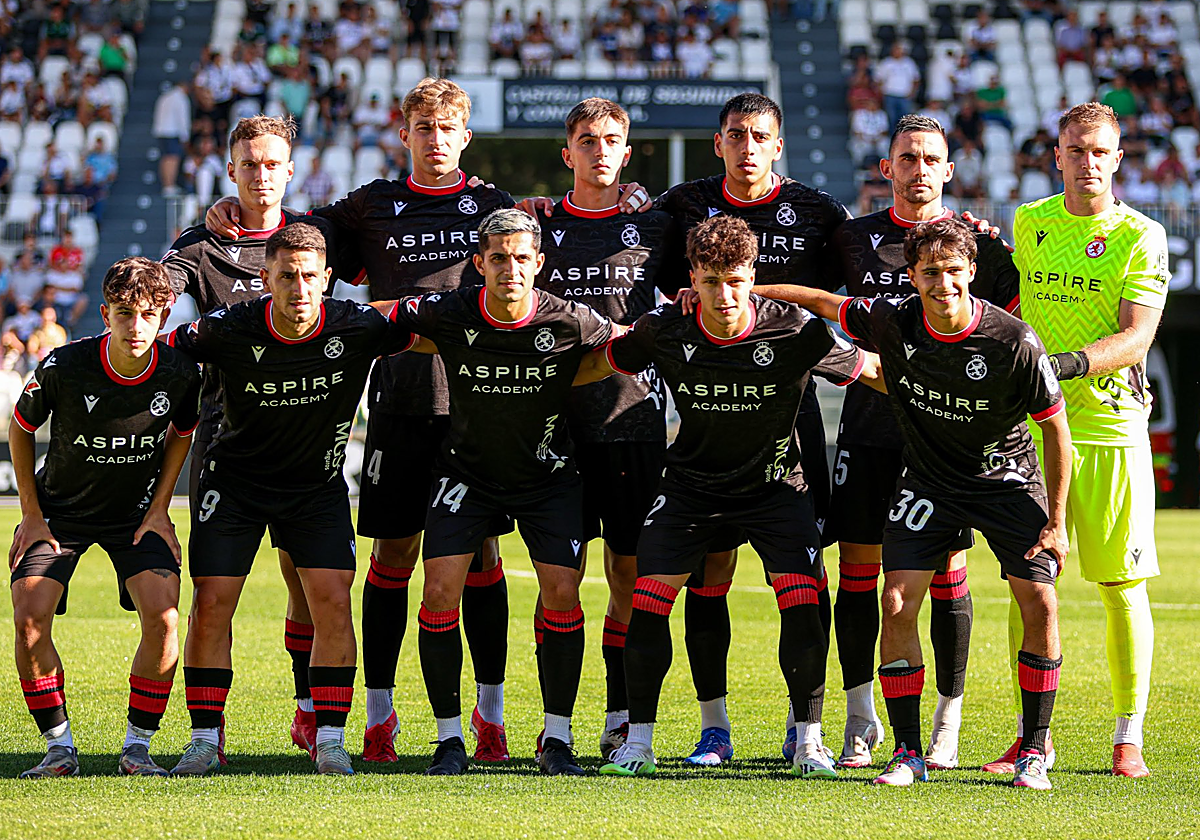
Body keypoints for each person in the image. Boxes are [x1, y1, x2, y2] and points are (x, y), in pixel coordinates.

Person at [204, 79, 515, 765]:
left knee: (483, 558)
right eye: (423, 126)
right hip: (401, 405)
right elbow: (294, 237)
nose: (435, 138)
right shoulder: (371, 205)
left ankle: (489, 716)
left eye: (448, 127)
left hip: (478, 410)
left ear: (466, 136)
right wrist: (237, 209)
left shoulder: (496, 205)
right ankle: (378, 716)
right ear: (404, 134)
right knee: (393, 559)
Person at [578, 214, 878, 778]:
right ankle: (639, 743)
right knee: (649, 600)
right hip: (691, 488)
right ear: (692, 277)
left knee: (803, 601)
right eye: (711, 281)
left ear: (752, 275)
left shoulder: (796, 329)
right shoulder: (666, 326)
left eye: (736, 280)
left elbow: (874, 372)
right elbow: (599, 363)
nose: (724, 295)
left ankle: (809, 741)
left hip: (776, 488)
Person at [777, 218, 1071, 790]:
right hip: (930, 483)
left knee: (1040, 600)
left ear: (972, 273)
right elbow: (820, 301)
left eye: (954, 271)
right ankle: (908, 751)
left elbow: (1056, 430)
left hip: (1006, 479)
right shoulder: (894, 320)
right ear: (911, 276)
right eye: (930, 272)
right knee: (894, 602)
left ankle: (1034, 749)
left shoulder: (1014, 341)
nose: (943, 284)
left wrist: (1056, 522)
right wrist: (745, 290)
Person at [783, 114, 1020, 771]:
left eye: (931, 159)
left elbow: (1018, 329)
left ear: (950, 170)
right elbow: (813, 295)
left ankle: (948, 720)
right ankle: (860, 718)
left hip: (945, 443)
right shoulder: (852, 238)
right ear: (886, 168)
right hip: (869, 430)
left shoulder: (979, 246)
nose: (919, 169)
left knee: (945, 574)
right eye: (907, 158)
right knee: (859, 575)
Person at [166, 222, 421, 776]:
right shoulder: (229, 327)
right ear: (266, 279)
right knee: (210, 604)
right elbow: (156, 352)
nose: (299, 288)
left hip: (315, 489)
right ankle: (205, 739)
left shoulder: (357, 325)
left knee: (331, 600)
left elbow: (436, 327)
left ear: (327, 279)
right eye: (286, 276)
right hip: (234, 485)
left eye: (309, 276)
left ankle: (329, 738)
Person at [646, 92, 851, 765]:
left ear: (778, 145)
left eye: (760, 135)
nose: (747, 146)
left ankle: (804, 727)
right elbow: (633, 259)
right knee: (709, 574)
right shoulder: (682, 204)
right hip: (711, 414)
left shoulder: (819, 212)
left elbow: (859, 284)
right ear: (719, 143)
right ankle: (714, 729)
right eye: (736, 134)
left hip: (791, 416)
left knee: (804, 574)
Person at [390, 208, 615, 776]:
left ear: (538, 263)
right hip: (466, 475)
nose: (509, 268)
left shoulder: (571, 319)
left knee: (562, 591)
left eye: (520, 258)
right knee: (438, 591)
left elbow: (629, 343)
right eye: (498, 258)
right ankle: (449, 740)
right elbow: (380, 318)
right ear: (479, 263)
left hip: (548, 476)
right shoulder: (449, 311)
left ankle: (557, 739)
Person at [162, 115, 351, 760]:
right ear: (231, 170)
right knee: (214, 597)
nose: (261, 175)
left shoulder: (318, 234)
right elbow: (160, 298)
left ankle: (312, 714)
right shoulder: (202, 243)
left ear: (290, 170)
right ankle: (206, 736)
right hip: (229, 443)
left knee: (310, 588)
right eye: (249, 164)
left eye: (272, 164)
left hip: (307, 446)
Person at [1000, 102, 1169, 779]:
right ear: (1058, 155)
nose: (1088, 162)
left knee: (1120, 585)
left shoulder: (1141, 235)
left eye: (1100, 151)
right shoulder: (1030, 221)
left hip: (1107, 429)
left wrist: (1064, 365)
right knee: (1029, 582)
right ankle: (1029, 735)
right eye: (1076, 150)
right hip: (1033, 431)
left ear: (1118, 158)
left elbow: (1137, 337)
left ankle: (1129, 736)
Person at [531, 98, 688, 760]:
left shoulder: (656, 226)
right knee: (558, 582)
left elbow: (697, 290)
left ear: (627, 152)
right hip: (554, 427)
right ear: (567, 152)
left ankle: (620, 715)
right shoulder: (537, 227)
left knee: (629, 576)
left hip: (633, 422)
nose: (600, 150)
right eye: (587, 140)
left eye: (612, 140)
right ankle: (556, 728)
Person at [9, 257, 201, 778]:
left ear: (164, 317)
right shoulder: (65, 365)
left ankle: (138, 748)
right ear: (105, 314)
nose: (136, 326)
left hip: (134, 516)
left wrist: (161, 508)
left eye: (148, 314)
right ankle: (59, 748)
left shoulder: (180, 372)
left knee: (165, 619)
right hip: (59, 514)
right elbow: (21, 428)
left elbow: (182, 432)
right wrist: (32, 514)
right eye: (124, 313)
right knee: (29, 619)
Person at [152, 82, 191, 195]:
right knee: (172, 158)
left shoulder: (165, 96)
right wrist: (185, 136)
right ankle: (169, 185)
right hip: (172, 132)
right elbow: (182, 119)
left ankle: (167, 185)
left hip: (161, 131)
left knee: (165, 158)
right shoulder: (181, 98)